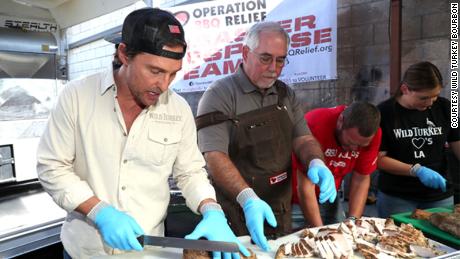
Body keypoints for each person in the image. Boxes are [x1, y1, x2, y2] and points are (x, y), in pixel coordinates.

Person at [36, 8, 250, 259]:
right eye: (155, 71)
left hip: (147, 252)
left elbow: (190, 172)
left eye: (173, 73)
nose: (164, 84)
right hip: (84, 252)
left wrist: (211, 208)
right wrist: (99, 211)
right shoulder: (77, 97)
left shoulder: (178, 110)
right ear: (124, 54)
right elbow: (52, 167)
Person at [195, 21, 337, 251]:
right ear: (245, 53)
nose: (273, 67)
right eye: (265, 58)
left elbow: (304, 138)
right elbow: (214, 157)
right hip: (236, 210)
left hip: (278, 209)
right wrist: (248, 199)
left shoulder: (285, 94)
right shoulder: (220, 95)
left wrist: (316, 161)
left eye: (280, 60)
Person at [377, 61, 460, 218]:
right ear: (405, 89)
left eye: (435, 97)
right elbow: (378, 159)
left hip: (439, 195)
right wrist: (416, 170)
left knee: (439, 240)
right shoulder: (384, 112)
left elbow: (457, 143)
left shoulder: (446, 107)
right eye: (423, 98)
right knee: (398, 240)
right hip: (397, 197)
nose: (429, 103)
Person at [292, 102, 382, 227]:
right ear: (340, 121)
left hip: (330, 196)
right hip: (294, 199)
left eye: (361, 146)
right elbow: (305, 186)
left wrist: (352, 220)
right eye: (350, 142)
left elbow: (361, 178)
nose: (354, 149)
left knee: (343, 236)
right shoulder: (315, 123)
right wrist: (319, 230)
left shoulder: (374, 134)